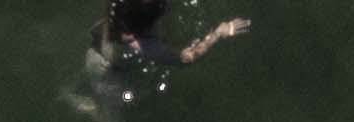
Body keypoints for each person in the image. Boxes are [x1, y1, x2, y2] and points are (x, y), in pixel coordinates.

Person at [90, 0, 249, 67]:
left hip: (102, 35)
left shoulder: (120, 6)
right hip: (104, 67)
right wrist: (218, 34)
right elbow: (186, 58)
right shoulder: (145, 45)